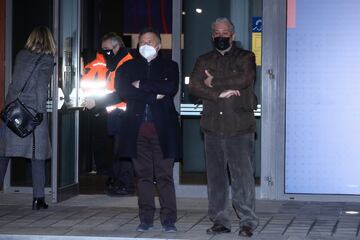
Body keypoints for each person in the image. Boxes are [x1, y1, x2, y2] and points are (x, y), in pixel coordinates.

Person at [188, 17, 259, 237]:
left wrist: (213, 82)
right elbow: (194, 86)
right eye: (217, 32)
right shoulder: (203, 59)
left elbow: (244, 79)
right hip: (212, 127)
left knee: (242, 178)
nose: (221, 36)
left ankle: (247, 221)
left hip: (240, 127)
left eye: (225, 32)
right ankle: (220, 221)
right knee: (216, 178)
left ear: (233, 35)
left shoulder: (246, 57)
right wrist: (218, 93)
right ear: (212, 35)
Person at [115, 28, 181, 233]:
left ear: (159, 46)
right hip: (137, 129)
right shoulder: (127, 67)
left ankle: (169, 219)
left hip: (163, 130)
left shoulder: (170, 66)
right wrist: (154, 95)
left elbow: (170, 88)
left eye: (150, 42)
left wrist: (142, 84)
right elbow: (124, 91)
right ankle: (146, 219)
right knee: (142, 176)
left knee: (164, 175)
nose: (145, 45)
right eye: (142, 42)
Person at [0, 26, 56, 210]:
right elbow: (41, 87)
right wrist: (40, 111)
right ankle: (38, 199)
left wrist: (10, 105)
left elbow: (14, 83)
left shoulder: (21, 56)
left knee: (4, 154)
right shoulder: (46, 59)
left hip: (13, 111)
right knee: (37, 156)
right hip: (31, 113)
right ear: (49, 40)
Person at [81, 32, 135, 196]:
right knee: (115, 151)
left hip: (124, 112)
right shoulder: (112, 62)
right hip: (111, 112)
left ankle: (124, 184)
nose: (105, 52)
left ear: (117, 46)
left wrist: (96, 103)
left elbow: (122, 93)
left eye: (107, 49)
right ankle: (116, 181)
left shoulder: (127, 64)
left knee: (122, 151)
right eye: (103, 49)